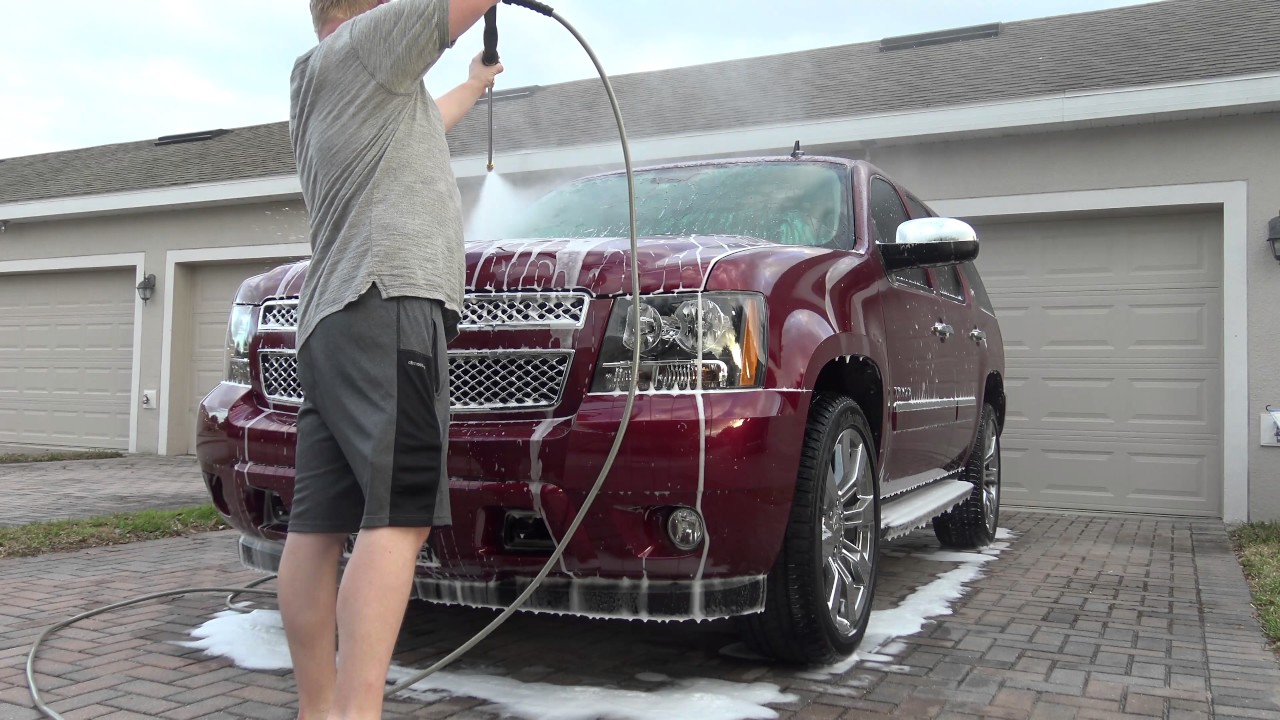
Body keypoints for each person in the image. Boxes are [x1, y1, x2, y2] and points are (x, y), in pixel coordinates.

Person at [278, 1, 502, 718]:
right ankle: (359, 711)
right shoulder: (371, 43)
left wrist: (473, 83)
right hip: (389, 303)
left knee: (316, 527)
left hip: (333, 323)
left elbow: (422, 129)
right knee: (399, 518)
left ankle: (322, 710)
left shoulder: (327, 78)